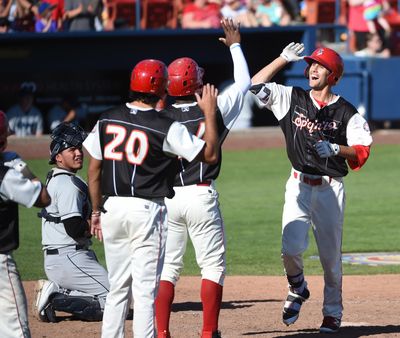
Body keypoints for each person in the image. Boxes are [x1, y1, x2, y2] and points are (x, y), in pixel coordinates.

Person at [83, 58, 220, 337]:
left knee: (117, 286)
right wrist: (209, 113)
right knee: (145, 291)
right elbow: (210, 155)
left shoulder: (107, 117)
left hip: (112, 208)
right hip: (147, 210)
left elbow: (94, 170)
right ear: (161, 88)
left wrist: (95, 211)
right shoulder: (165, 125)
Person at [250, 43, 373, 333]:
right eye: (311, 64)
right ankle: (297, 287)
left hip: (330, 189)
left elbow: (362, 150)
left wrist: (336, 148)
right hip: (298, 186)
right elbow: (254, 85)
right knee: (289, 249)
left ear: (333, 75)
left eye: (320, 65)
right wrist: (281, 59)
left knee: (330, 259)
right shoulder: (291, 98)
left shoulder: (346, 112)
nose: (313, 69)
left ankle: (332, 314)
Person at [155, 18, 250, 338]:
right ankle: (208, 333)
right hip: (201, 193)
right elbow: (244, 83)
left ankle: (162, 332)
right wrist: (235, 45)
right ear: (196, 83)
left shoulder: (159, 117)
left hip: (168, 198)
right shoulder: (216, 107)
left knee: (168, 269)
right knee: (212, 267)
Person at [33, 122, 110, 323]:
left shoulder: (60, 179)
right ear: (58, 157)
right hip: (69, 257)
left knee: (114, 297)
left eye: (79, 148)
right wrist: (98, 223)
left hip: (66, 258)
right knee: (115, 300)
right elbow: (74, 228)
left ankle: (61, 290)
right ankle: (54, 297)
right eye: (71, 149)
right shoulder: (67, 184)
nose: (78, 153)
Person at [0, 110, 51, 338]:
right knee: (17, 330)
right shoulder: (6, 175)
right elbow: (43, 198)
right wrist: (25, 170)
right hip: (0, 264)